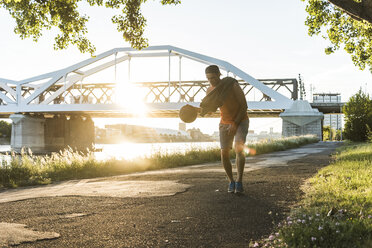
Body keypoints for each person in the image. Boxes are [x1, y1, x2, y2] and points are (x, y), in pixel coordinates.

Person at [200, 65, 249, 194]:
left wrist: (235, 123)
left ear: (219, 74)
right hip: (224, 123)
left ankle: (239, 181)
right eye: (208, 78)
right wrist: (200, 110)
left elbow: (244, 105)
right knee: (224, 153)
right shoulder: (210, 90)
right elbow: (212, 109)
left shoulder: (231, 85)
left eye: (213, 77)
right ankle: (231, 181)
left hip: (241, 120)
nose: (211, 81)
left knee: (239, 148)